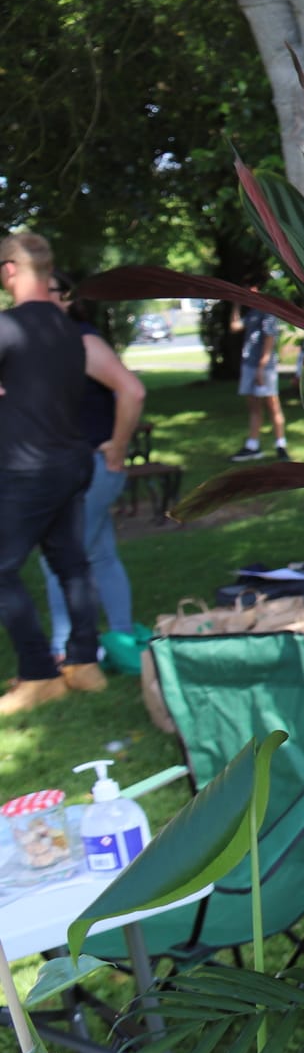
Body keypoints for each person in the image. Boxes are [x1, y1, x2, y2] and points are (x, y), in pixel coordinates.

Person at [0, 232, 130, 714]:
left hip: (25, 469)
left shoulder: (8, 328)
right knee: (71, 563)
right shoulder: (70, 333)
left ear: (10, 270)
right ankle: (83, 664)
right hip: (71, 464)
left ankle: (38, 673)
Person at [37, 272, 143, 660]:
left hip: (92, 466)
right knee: (99, 554)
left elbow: (131, 390)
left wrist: (117, 447)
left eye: (44, 291)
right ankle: (122, 637)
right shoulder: (53, 343)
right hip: (71, 465)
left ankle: (67, 648)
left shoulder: (81, 339)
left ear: (66, 297)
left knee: (60, 558)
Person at [229, 281, 286, 461]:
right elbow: (234, 327)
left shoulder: (268, 313)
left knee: (273, 406)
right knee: (254, 407)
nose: (247, 292)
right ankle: (252, 446)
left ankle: (281, 445)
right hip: (249, 365)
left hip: (263, 368)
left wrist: (261, 369)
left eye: (249, 288)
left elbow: (269, 343)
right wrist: (236, 303)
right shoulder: (252, 313)